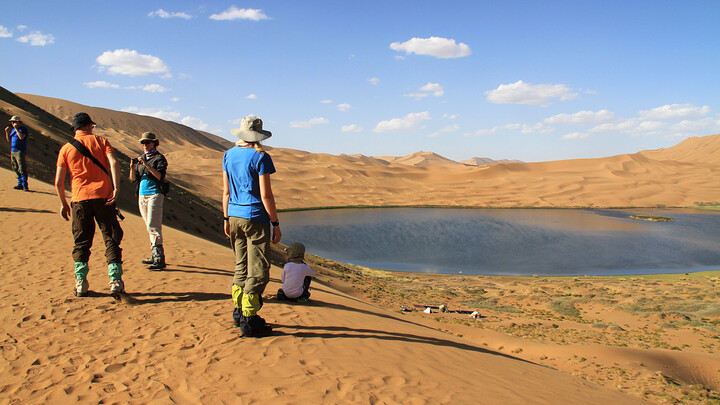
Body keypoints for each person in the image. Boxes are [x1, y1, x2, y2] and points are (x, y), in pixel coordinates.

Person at [223, 115, 281, 337]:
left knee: (241, 266)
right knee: (258, 270)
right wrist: (275, 223)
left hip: (234, 216)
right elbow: (266, 195)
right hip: (255, 217)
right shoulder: (261, 157)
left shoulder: (228, 155)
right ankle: (250, 319)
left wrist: (226, 218)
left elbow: (226, 192)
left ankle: (238, 312)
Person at [55, 112, 125, 297]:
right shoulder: (102, 142)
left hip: (79, 199)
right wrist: (116, 188)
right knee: (111, 238)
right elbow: (114, 163)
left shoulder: (65, 149)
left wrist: (63, 203)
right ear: (88, 126)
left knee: (81, 242)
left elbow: (58, 182)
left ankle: (80, 284)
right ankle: (115, 282)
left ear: (75, 128)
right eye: (91, 126)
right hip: (104, 197)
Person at [128, 132, 168, 270]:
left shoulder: (159, 158)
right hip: (141, 195)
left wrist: (146, 165)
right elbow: (133, 179)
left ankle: (159, 258)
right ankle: (154, 255)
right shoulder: (141, 159)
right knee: (149, 225)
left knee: (153, 225)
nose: (145, 145)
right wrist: (132, 167)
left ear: (154, 143)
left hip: (155, 194)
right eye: (143, 143)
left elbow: (159, 176)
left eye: (147, 142)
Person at [5, 116, 29, 191]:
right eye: (12, 122)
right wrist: (7, 132)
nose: (12, 123)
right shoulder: (12, 130)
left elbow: (21, 137)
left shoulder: (23, 129)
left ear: (18, 122)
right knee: (15, 167)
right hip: (13, 151)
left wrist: (16, 129)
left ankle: (25, 185)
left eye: (14, 122)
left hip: (20, 151)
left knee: (22, 168)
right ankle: (20, 184)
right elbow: (9, 140)